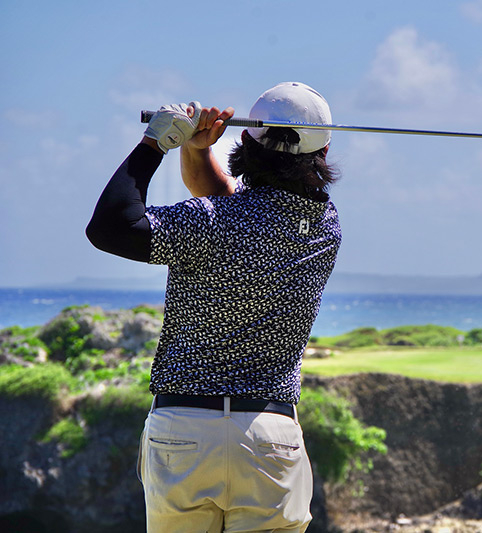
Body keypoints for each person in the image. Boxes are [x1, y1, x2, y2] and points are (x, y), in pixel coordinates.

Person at [86, 82, 341, 533]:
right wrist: (198, 153)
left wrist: (156, 144)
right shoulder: (324, 225)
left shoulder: (207, 223)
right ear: (323, 151)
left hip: (185, 430)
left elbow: (112, 226)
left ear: (244, 140)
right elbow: (238, 210)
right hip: (269, 436)